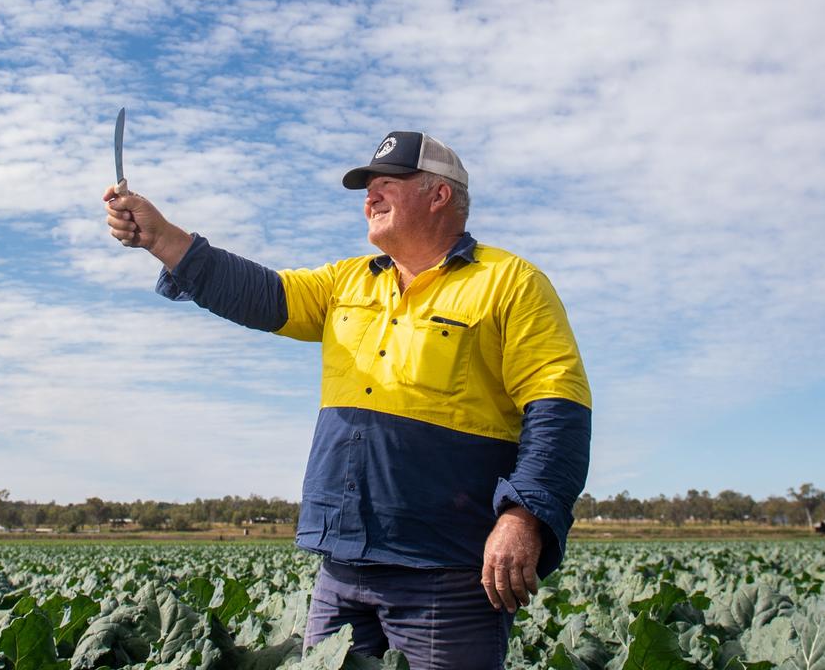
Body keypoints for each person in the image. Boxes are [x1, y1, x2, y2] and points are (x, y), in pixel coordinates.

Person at [103, 131, 591, 670]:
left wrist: (523, 516)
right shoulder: (346, 282)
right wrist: (162, 237)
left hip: (444, 571)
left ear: (439, 195)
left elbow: (558, 409)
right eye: (367, 189)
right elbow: (258, 294)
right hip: (341, 565)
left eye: (386, 185)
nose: (370, 198)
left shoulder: (510, 283)